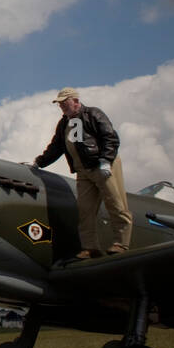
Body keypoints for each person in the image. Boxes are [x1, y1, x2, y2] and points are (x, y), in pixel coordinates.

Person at [31, 87, 133, 260]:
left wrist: (106, 161)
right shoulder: (64, 123)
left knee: (116, 205)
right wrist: (38, 162)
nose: (62, 106)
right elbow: (56, 147)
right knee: (85, 210)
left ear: (76, 101)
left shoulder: (93, 114)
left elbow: (110, 138)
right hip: (83, 171)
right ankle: (90, 247)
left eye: (65, 102)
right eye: (60, 104)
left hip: (102, 165)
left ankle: (121, 243)